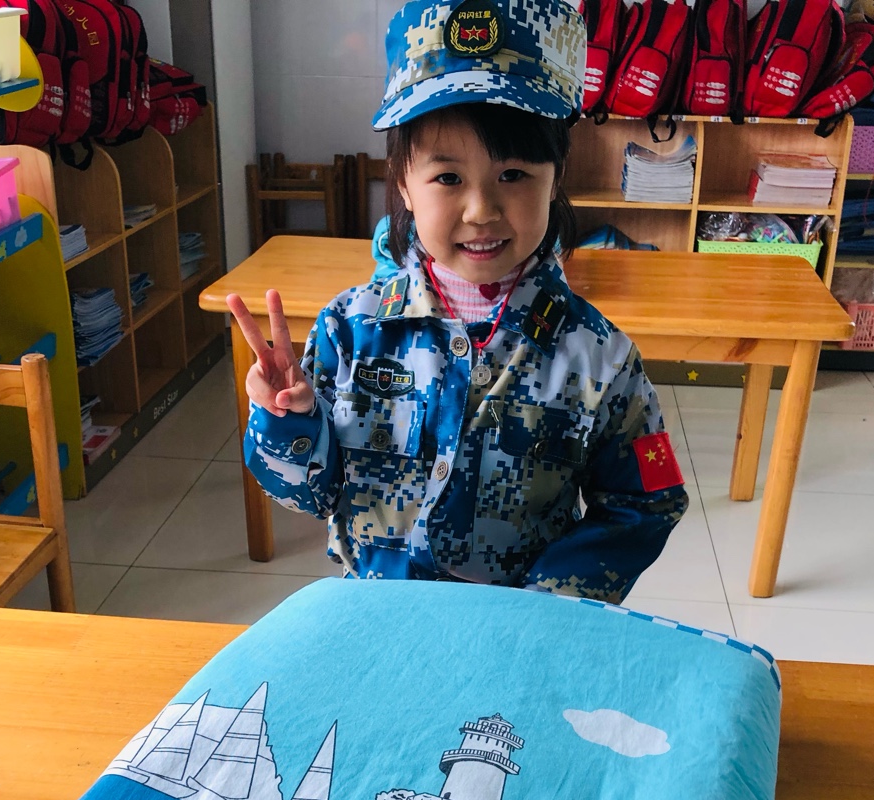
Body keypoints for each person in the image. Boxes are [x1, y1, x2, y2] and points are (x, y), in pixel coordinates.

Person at [227, 0, 687, 603]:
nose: (481, 210)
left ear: (556, 177)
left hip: (518, 632)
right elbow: (309, 495)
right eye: (448, 178)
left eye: (513, 175)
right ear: (403, 183)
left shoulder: (600, 356)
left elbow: (647, 501)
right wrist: (288, 423)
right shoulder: (349, 330)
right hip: (381, 618)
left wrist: (551, 601)